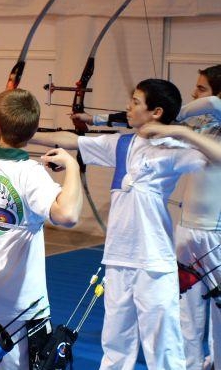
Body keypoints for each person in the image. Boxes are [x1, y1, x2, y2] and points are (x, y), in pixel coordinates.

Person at [31, 78, 221, 370]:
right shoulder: (121, 144)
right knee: (116, 340)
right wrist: (23, 133)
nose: (128, 108)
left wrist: (178, 130)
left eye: (135, 102)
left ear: (156, 112)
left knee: (163, 342)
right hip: (119, 258)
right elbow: (70, 139)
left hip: (154, 261)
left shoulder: (173, 149)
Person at [0, 89, 83, 369]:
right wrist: (73, 168)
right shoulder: (30, 174)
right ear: (33, 133)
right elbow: (68, 214)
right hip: (16, 312)